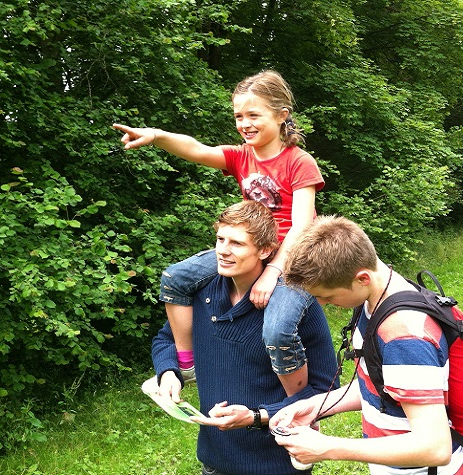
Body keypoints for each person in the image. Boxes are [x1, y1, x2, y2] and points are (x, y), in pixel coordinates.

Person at [114, 70, 324, 396]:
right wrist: (156, 135)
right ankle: (187, 366)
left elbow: (302, 226)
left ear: (282, 116)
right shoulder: (241, 156)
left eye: (254, 115)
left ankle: (300, 403)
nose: (245, 123)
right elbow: (197, 149)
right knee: (176, 278)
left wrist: (272, 274)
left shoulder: (299, 162)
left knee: (278, 331)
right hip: (249, 248)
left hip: (293, 260)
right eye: (239, 116)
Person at [151, 200, 339, 475]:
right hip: (214, 460)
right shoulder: (201, 292)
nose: (222, 251)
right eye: (219, 239)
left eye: (236, 244)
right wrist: (169, 372)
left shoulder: (292, 309)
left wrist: (255, 417)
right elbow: (167, 339)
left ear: (265, 251)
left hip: (276, 464)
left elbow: (326, 392)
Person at [269, 215, 463, 475]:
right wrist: (315, 405)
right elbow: (381, 386)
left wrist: (327, 447)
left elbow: (434, 446)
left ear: (362, 278)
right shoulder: (375, 299)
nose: (323, 304)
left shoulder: (404, 335)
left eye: (326, 296)